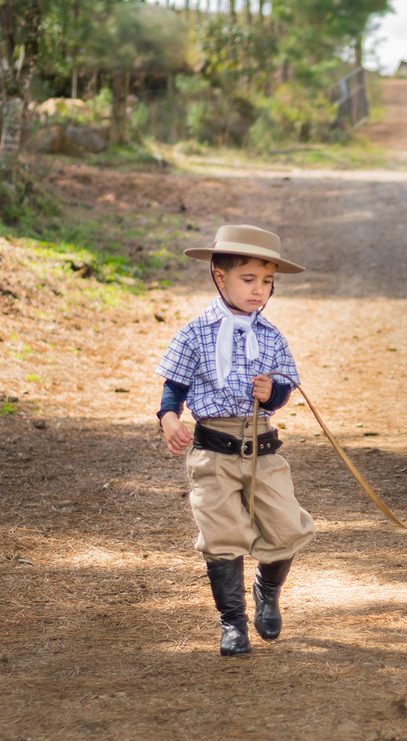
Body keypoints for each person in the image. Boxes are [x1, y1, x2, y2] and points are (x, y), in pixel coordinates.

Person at [155, 224, 315, 656]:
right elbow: (175, 388)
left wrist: (273, 394)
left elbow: (282, 391)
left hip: (262, 449)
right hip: (213, 452)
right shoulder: (194, 333)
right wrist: (169, 419)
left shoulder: (271, 337)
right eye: (249, 279)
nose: (259, 290)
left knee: (285, 528)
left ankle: (267, 589)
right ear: (219, 276)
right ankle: (232, 624)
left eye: (267, 281)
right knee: (222, 534)